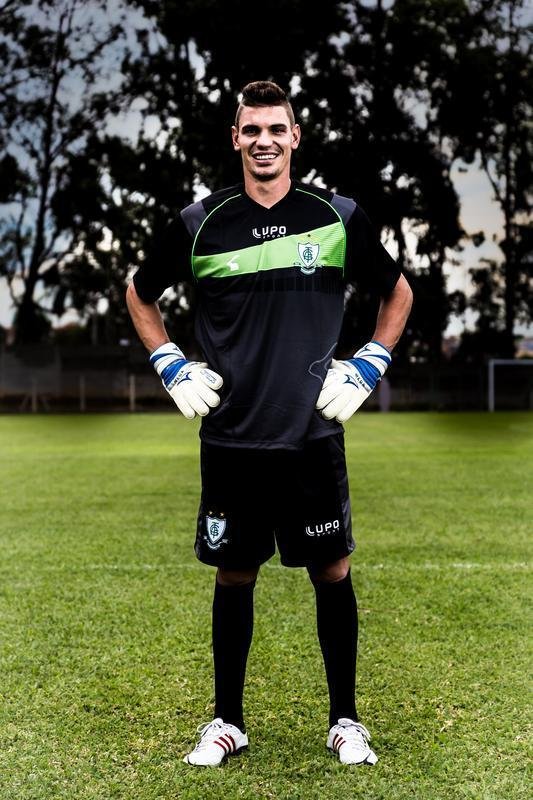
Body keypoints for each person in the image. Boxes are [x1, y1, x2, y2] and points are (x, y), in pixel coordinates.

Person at [126, 80, 413, 767]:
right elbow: (139, 293)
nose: (264, 141)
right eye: (251, 130)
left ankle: (345, 721)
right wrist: (170, 363)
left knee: (332, 570)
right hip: (232, 437)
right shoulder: (201, 221)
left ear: (294, 137)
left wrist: (369, 362)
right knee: (234, 575)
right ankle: (227, 722)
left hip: (312, 436)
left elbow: (398, 292)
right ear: (235, 139)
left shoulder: (336, 216)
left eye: (275, 129)